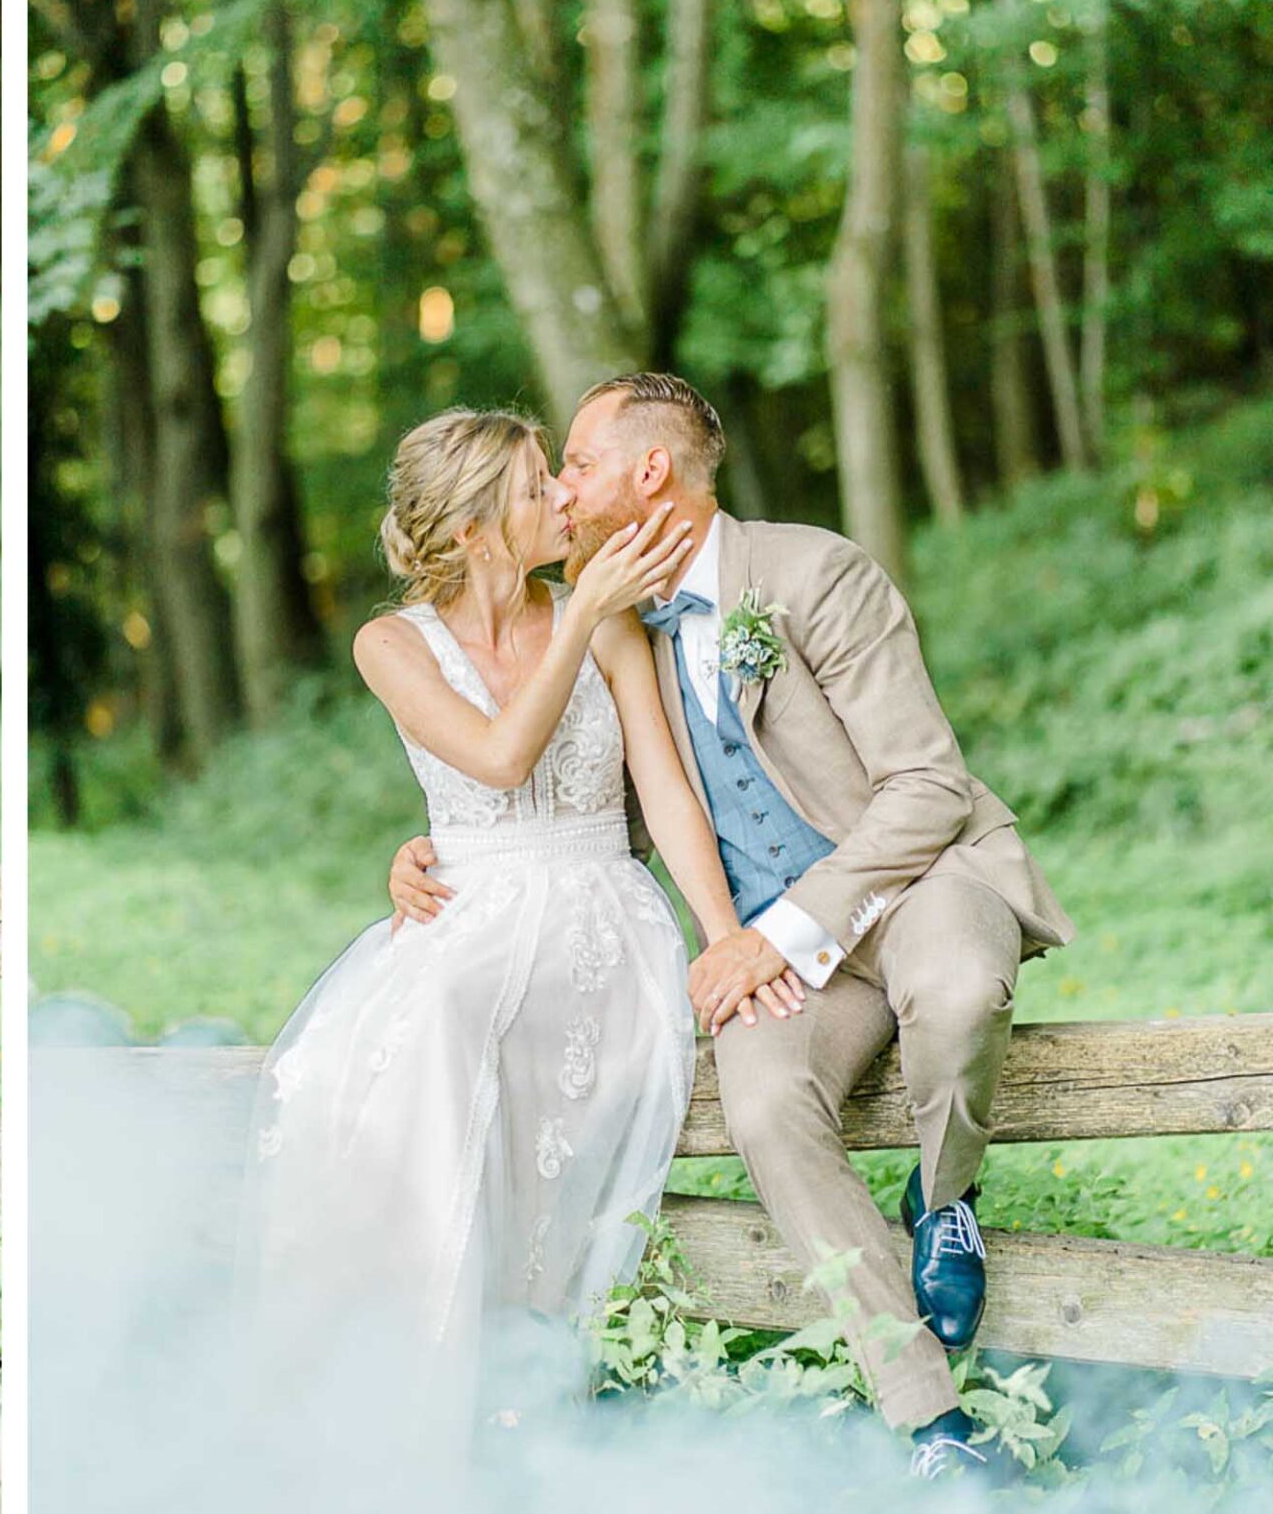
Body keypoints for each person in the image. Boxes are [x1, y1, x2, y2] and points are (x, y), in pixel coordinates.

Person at [390, 373, 1071, 1481]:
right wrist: (431, 853)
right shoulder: (606, 616)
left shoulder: (812, 571)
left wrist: (783, 929)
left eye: (577, 462)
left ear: (646, 473)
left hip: (910, 887)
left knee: (954, 989)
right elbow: (580, 803)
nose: (563, 489)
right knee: (760, 1103)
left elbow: (927, 789)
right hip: (768, 945)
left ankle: (944, 1199)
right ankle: (933, 1425)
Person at [241, 406, 747, 1442]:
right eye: (533, 489)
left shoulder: (599, 616)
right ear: (472, 530)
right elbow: (496, 758)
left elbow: (661, 787)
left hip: (598, 915)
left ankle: (501, 1378)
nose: (563, 497)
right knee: (377, 1055)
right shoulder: (388, 644)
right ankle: (390, 1381)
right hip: (462, 915)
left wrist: (724, 932)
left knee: (452, 1027)